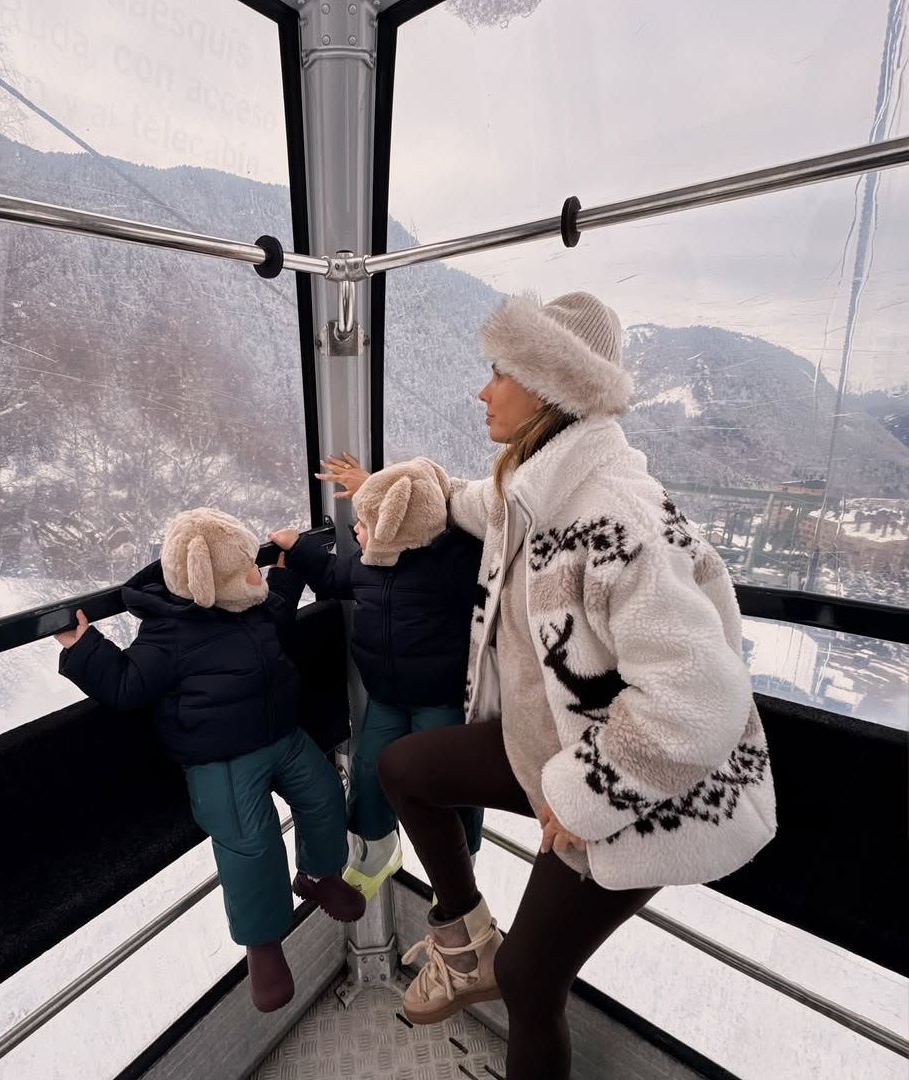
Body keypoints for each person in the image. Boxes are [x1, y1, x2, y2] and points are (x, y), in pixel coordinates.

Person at [324, 293, 777, 1080]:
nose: (483, 390)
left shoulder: (611, 518)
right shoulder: (532, 490)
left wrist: (579, 795)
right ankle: (465, 946)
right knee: (405, 769)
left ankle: (502, 976)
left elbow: (700, 697)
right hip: (560, 748)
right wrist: (401, 485)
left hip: (649, 792)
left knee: (533, 981)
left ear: (549, 384)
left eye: (500, 372)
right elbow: (471, 502)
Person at [55, 508, 365, 1013]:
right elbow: (128, 683)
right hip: (219, 759)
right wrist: (85, 648)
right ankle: (263, 943)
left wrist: (285, 578)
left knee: (325, 794)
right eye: (244, 570)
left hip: (282, 735)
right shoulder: (169, 635)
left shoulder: (248, 605)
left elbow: (278, 615)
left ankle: (319, 874)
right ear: (207, 582)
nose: (254, 577)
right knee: (251, 843)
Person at [268, 458, 483, 900]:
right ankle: (375, 845)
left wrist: (385, 490)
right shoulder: (366, 567)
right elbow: (329, 578)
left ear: (394, 528)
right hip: (385, 697)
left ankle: (461, 862)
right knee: (368, 770)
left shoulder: (447, 567)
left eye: (366, 522)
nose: (356, 532)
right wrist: (299, 547)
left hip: (438, 699)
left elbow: (460, 522)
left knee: (448, 780)